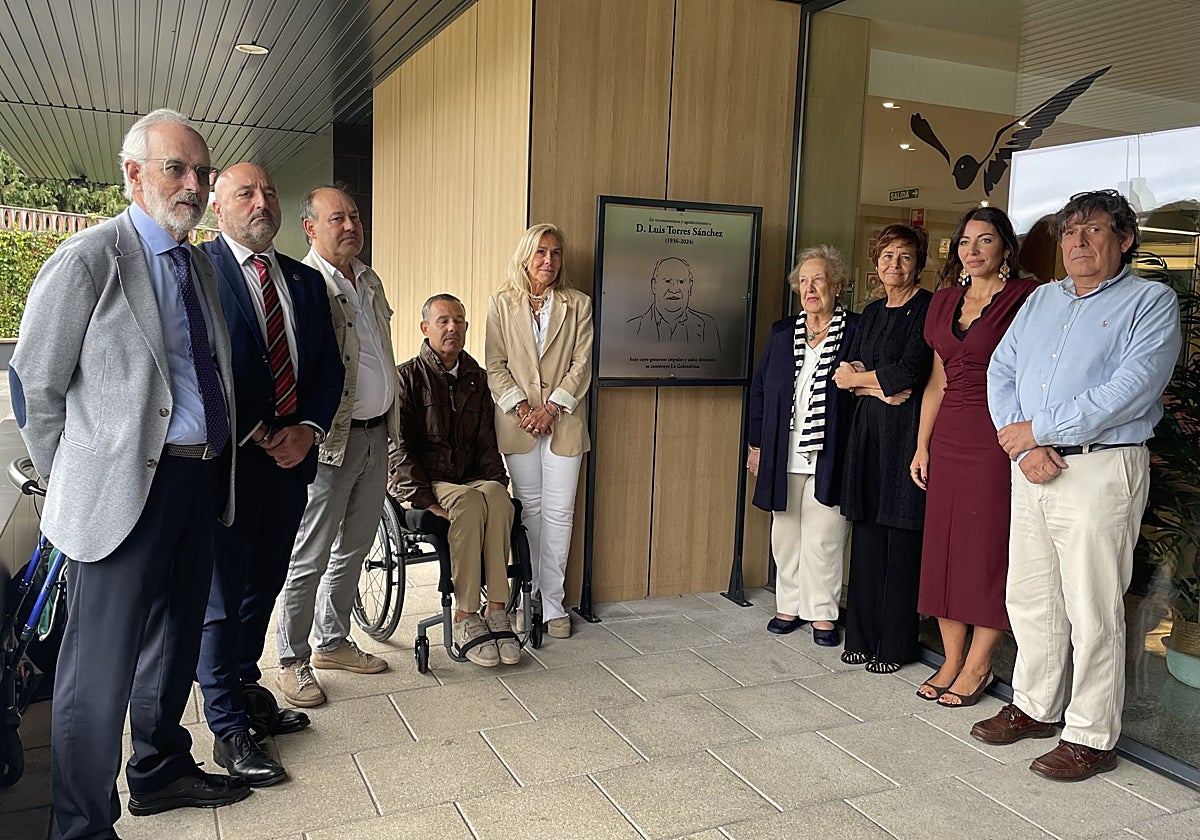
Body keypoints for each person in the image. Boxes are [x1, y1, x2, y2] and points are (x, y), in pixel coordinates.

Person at [9, 109, 248, 837]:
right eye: (176, 168)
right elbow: (34, 388)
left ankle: (159, 767)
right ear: (133, 175)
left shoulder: (200, 261)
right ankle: (81, 823)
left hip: (197, 480)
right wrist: (74, 484)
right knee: (96, 672)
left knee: (176, 639)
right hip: (119, 496)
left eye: (201, 172)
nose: (193, 185)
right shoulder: (90, 259)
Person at [973, 190, 1180, 780]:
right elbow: (1001, 369)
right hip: (1033, 465)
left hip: (1100, 467)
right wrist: (1025, 443)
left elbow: (1131, 389)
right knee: (1032, 595)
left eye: (1093, 231)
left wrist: (1038, 430)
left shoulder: (1150, 302)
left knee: (1092, 606)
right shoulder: (1040, 300)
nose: (1079, 243)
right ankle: (1036, 707)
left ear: (1125, 239)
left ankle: (1091, 734)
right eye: (1070, 232)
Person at [196, 163, 343, 785]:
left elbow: (329, 369)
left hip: (290, 464)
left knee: (265, 584)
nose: (261, 202)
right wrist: (258, 430)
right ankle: (227, 725)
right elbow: (196, 363)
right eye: (245, 194)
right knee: (221, 597)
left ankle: (249, 690)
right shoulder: (198, 271)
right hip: (228, 466)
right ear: (217, 206)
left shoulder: (306, 284)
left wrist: (308, 429)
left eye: (268, 192)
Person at [275, 186, 400, 707]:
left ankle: (331, 642)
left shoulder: (367, 279)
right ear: (310, 227)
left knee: (356, 545)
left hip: (376, 436)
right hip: (331, 442)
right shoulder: (303, 286)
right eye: (337, 218)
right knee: (312, 551)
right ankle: (290, 659)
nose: (350, 225)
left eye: (354, 216)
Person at [909, 207, 1038, 707]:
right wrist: (921, 444)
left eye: (985, 240)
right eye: (965, 241)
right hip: (948, 435)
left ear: (1005, 247)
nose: (973, 250)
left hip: (996, 434)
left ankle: (980, 664)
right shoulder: (942, 303)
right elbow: (937, 381)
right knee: (942, 549)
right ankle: (951, 658)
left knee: (984, 549)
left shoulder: (1026, 298)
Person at [389, 295, 518, 667]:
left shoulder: (476, 378)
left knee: (495, 495)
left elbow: (486, 443)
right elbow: (399, 446)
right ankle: (465, 614)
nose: (452, 328)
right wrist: (426, 499)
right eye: (443, 321)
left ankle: (497, 608)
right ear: (425, 328)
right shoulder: (407, 377)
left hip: (470, 478)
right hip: (429, 482)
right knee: (469, 501)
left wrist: (499, 484)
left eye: (459, 321)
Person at [834, 224, 933, 673]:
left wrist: (871, 381)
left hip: (907, 435)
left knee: (902, 535)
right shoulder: (871, 313)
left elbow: (912, 371)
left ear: (919, 263)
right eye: (887, 256)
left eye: (905, 257)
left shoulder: (928, 309)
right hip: (868, 432)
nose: (895, 264)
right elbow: (844, 372)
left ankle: (894, 645)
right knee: (868, 532)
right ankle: (861, 636)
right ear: (876, 263)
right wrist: (876, 388)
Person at [747, 246, 858, 646]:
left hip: (831, 450)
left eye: (820, 279)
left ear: (838, 285)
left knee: (826, 534)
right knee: (786, 531)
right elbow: (760, 391)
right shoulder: (782, 333)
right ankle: (788, 604)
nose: (811, 288)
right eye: (804, 281)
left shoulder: (855, 331)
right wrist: (756, 444)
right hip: (783, 450)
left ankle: (823, 612)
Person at [485, 224, 592, 639]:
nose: (550, 261)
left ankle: (552, 602)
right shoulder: (501, 303)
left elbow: (581, 364)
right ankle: (526, 595)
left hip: (563, 420)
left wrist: (551, 407)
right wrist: (524, 407)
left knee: (561, 513)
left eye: (557, 253)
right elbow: (495, 364)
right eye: (541, 252)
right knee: (529, 510)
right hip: (518, 422)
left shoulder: (577, 304)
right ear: (526, 256)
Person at [627, 256, 720, 347]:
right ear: (654, 285)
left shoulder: (707, 325)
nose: (674, 289)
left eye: (681, 282)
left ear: (690, 287)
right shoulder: (632, 327)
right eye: (667, 281)